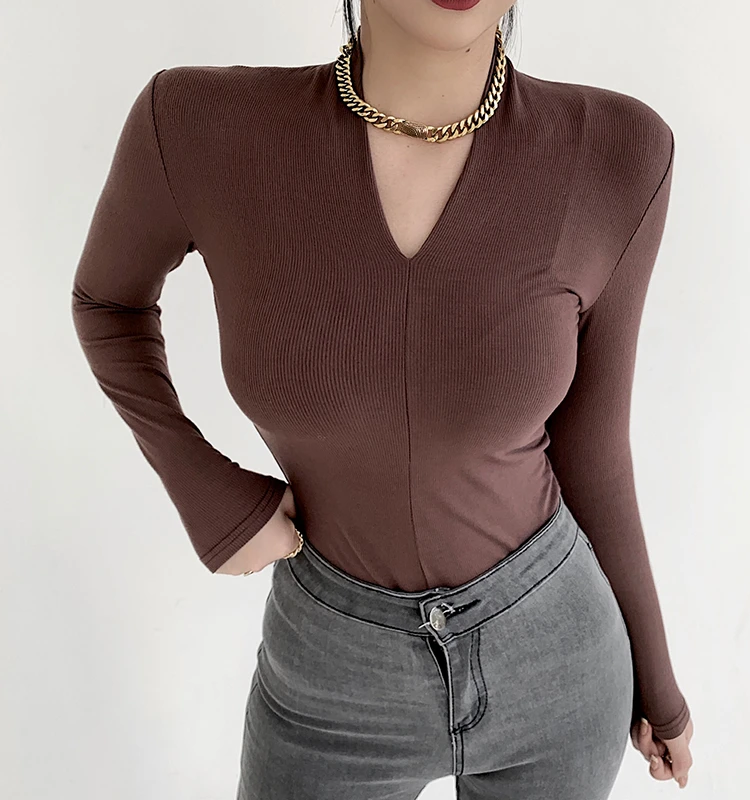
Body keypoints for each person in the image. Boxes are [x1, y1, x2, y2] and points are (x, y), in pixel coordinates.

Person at [71, 0, 694, 796]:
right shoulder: (200, 127)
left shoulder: (616, 151)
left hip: (557, 655)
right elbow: (107, 303)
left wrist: (658, 686)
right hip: (331, 666)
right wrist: (204, 491)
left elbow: (592, 448)